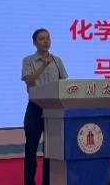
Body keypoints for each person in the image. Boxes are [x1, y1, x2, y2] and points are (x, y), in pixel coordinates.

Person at [22, 28, 68, 185]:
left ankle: (48, 181)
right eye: (41, 39)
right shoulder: (28, 61)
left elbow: (64, 83)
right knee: (31, 149)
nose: (46, 41)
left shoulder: (57, 61)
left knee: (50, 150)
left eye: (48, 38)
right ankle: (29, 182)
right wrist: (43, 65)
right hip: (35, 108)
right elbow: (29, 81)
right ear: (34, 42)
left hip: (53, 109)